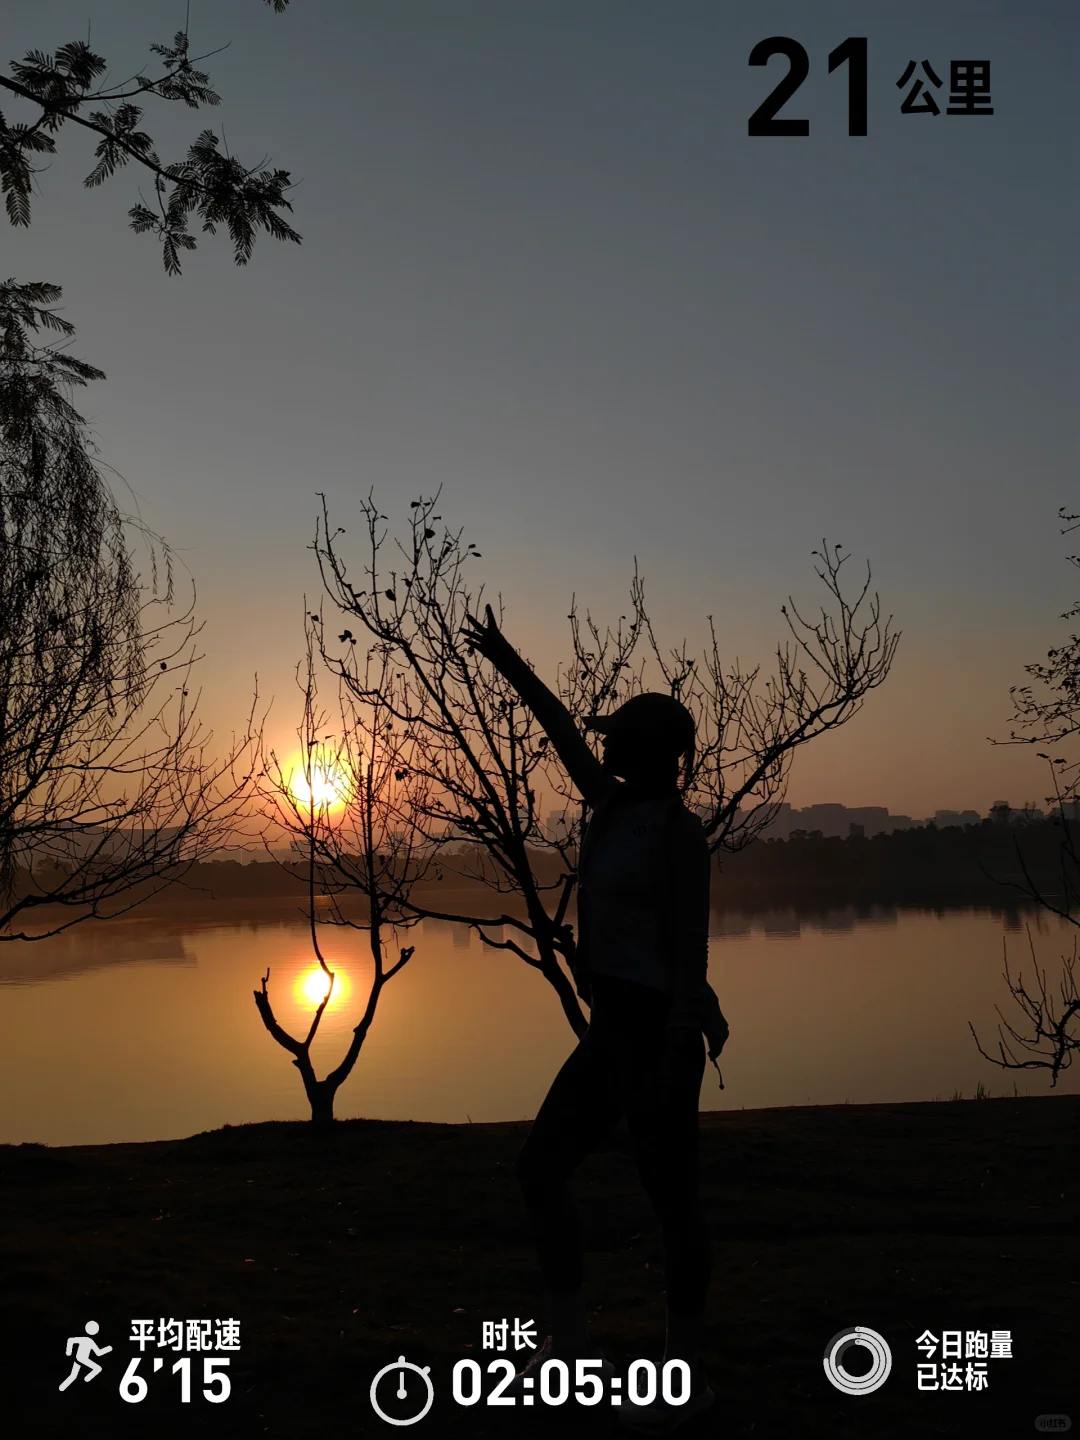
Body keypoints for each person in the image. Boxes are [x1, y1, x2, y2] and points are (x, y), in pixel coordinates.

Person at [461, 603, 727, 1432]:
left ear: (656, 754)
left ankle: (687, 1375)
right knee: (540, 1171)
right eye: (606, 739)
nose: (604, 744)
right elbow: (556, 730)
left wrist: (682, 1039)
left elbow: (693, 948)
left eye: (619, 738)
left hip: (657, 1029)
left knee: (671, 1201)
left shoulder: (681, 839)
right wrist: (505, 657)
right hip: (614, 1024)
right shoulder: (608, 807)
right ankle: (570, 1351)